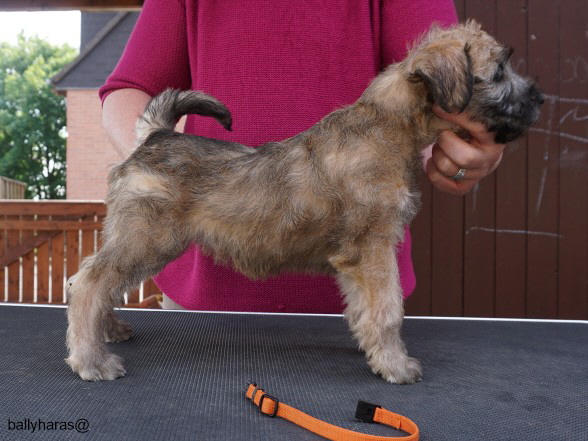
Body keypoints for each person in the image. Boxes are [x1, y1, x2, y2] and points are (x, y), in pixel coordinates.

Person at [99, 0, 505, 313]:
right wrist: (167, 177)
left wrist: (456, 144)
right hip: (203, 303)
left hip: (360, 303)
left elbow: (443, 84)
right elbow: (129, 87)